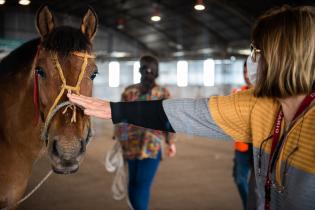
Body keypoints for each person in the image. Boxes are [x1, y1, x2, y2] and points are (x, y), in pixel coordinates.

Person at [68, 6, 315, 210]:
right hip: (135, 148)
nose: (252, 61)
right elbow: (187, 112)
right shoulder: (258, 105)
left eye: (258, 52)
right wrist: (114, 109)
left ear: (284, 57)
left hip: (147, 149)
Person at [112, 55, 176, 210]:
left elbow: (120, 119)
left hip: (134, 146)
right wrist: (170, 143)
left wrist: (119, 140)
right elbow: (170, 120)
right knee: (139, 186)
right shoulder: (162, 93)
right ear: (156, 72)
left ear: (139, 70)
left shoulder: (130, 91)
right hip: (148, 147)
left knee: (136, 184)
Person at [232, 61, 255, 210]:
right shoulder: (238, 94)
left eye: (249, 71)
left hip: (260, 147)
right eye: (244, 71)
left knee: (258, 184)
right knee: (240, 179)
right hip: (242, 146)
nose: (246, 75)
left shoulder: (268, 95)